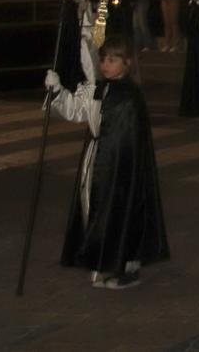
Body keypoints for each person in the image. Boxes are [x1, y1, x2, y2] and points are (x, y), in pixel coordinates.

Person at [44, 35, 169, 290]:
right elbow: (78, 111)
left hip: (121, 166)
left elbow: (129, 137)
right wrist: (57, 91)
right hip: (98, 160)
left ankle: (124, 265)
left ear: (128, 63)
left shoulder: (130, 96)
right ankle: (103, 261)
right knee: (98, 209)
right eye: (103, 59)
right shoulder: (99, 89)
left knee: (121, 209)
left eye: (112, 60)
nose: (105, 64)